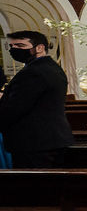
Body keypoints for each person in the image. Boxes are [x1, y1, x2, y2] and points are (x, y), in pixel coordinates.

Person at [0, 30, 74, 167]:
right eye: (12, 46)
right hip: (50, 140)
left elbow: (14, 109)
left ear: (40, 47)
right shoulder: (53, 68)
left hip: (35, 144)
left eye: (20, 46)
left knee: (34, 187)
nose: (14, 49)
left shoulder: (32, 72)